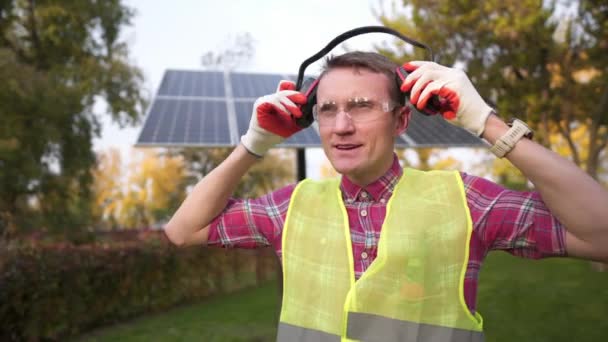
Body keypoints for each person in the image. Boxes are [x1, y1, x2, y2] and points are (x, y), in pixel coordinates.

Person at [164, 51, 608, 341]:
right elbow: (183, 231)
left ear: (401, 122)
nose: (341, 126)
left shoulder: (466, 200)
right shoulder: (289, 207)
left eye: (361, 106)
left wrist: (487, 122)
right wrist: (253, 144)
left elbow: (601, 234)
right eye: (327, 110)